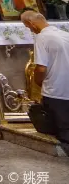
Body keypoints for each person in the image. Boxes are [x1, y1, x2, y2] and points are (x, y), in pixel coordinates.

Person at [22, 11, 69, 152]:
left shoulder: (42, 38)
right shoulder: (65, 34)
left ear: (32, 24)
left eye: (27, 26)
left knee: (64, 130)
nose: (29, 29)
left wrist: (38, 82)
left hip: (55, 91)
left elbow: (41, 68)